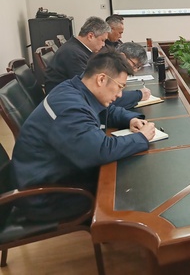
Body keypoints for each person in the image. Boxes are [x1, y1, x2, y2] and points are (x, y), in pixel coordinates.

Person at [12, 51, 156, 221]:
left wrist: (130, 119)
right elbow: (100, 151)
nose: (119, 95)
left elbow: (107, 110)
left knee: (126, 176)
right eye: (120, 87)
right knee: (131, 192)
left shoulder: (75, 88)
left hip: (58, 173)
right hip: (47, 196)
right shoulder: (70, 108)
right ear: (101, 79)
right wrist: (141, 138)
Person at [45, 16, 111, 94]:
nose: (103, 45)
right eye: (102, 40)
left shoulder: (76, 47)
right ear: (90, 36)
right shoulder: (74, 53)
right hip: (64, 96)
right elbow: (87, 85)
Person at [114, 42, 152, 109]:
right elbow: (113, 100)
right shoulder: (108, 69)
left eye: (138, 67)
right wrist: (139, 95)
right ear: (122, 56)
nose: (135, 70)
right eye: (135, 65)